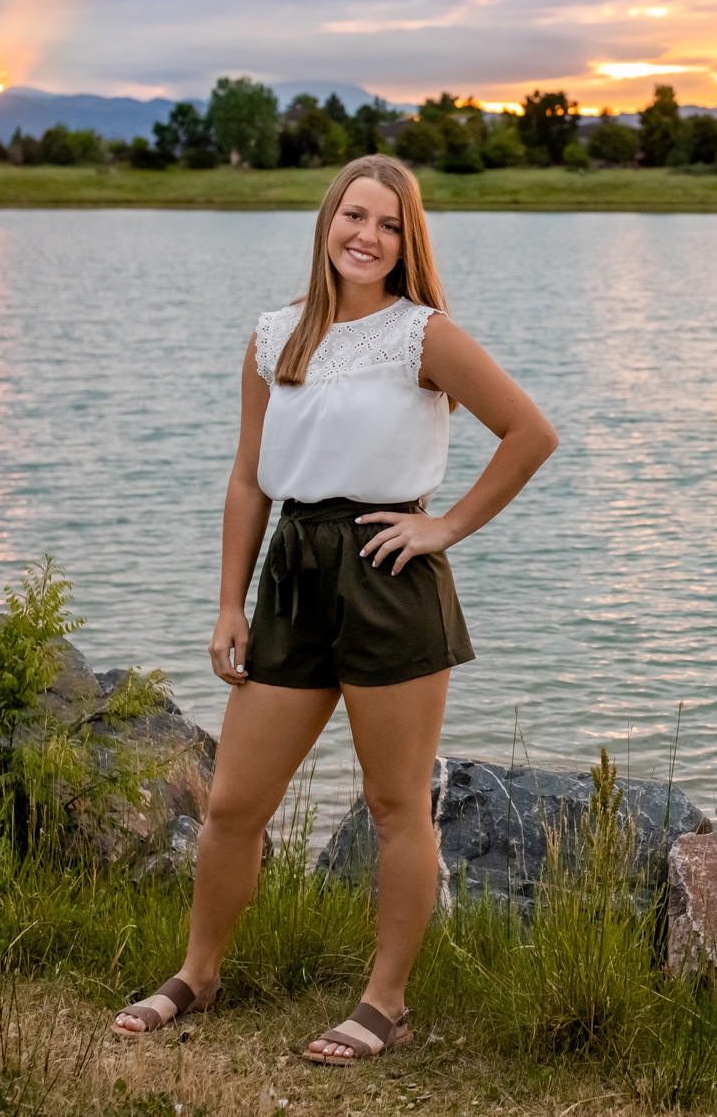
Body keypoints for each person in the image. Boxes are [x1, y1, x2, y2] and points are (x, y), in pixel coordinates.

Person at [111, 153, 556, 1062]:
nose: (368, 236)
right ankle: (198, 974)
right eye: (355, 216)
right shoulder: (274, 337)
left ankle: (384, 1002)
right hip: (291, 575)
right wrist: (228, 604)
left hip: (387, 576)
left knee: (397, 806)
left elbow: (530, 432)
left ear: (407, 243)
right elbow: (247, 479)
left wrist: (447, 529)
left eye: (390, 226)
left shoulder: (422, 335)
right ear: (326, 222)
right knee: (235, 802)